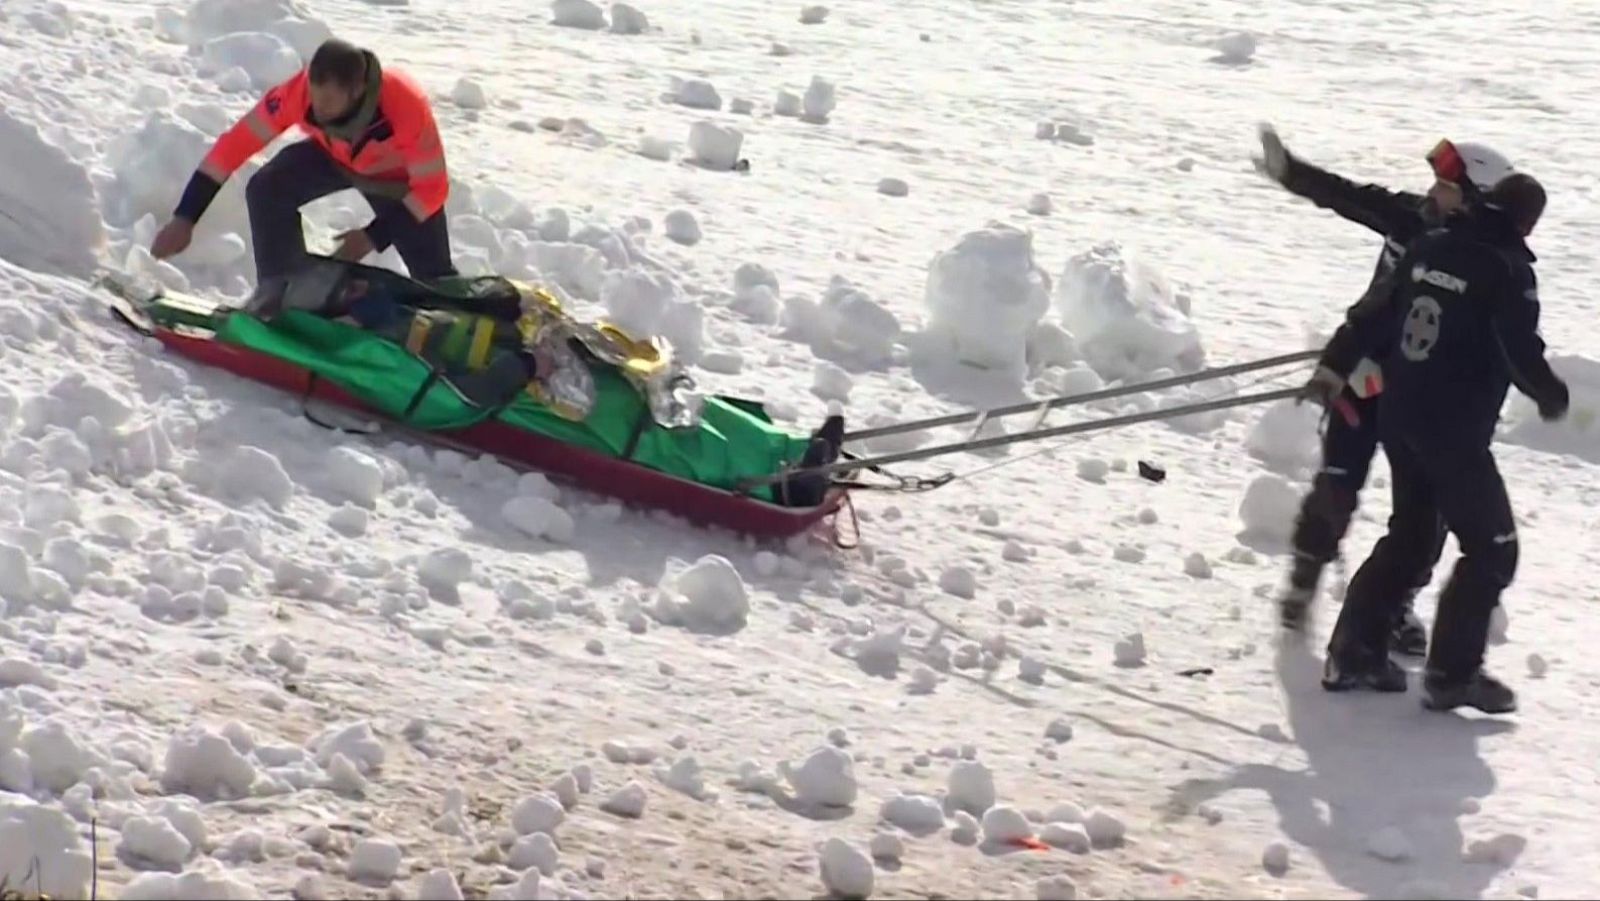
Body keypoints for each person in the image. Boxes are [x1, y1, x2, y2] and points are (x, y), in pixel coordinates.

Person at [1299, 172, 1567, 713]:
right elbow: (1519, 350)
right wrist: (1551, 394)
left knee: (1414, 534)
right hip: (1454, 433)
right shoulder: (1507, 269)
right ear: (1528, 223)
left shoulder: (1429, 245)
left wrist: (1332, 369)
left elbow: (1371, 316)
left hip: (1399, 418)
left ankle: (1355, 652)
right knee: (1493, 550)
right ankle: (1452, 674)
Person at [1254, 126, 1516, 655]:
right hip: (1360, 373)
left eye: (1445, 188)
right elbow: (1351, 197)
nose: (1431, 196)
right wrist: (1294, 174)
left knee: (1423, 514)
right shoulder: (1412, 218)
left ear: (1477, 199)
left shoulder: (1485, 260)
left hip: (1415, 399)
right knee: (1338, 481)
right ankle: (1304, 578)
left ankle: (1392, 607)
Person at [150, 38, 456, 307]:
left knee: (437, 282)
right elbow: (233, 147)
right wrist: (185, 217)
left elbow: (433, 189)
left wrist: (372, 236)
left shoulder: (405, 106)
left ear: (358, 90)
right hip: (335, 156)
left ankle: (463, 330)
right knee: (267, 187)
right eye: (314, 94)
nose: (317, 108)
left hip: (396, 182)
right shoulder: (297, 93)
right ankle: (281, 291)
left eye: (329, 102)